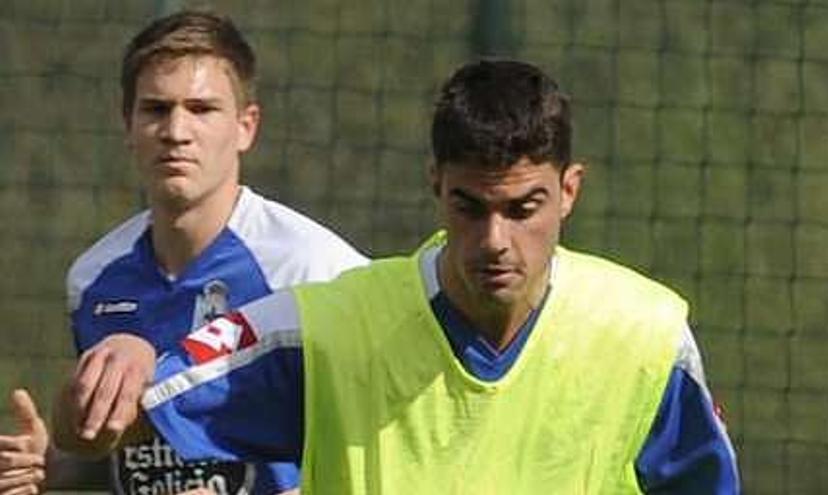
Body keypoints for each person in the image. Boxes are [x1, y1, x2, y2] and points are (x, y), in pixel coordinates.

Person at [55, 59, 739, 493]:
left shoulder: (646, 337)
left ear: (569, 191)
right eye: (469, 207)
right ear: (436, 184)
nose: (494, 241)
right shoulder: (318, 330)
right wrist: (127, 364)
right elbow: (103, 428)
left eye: (522, 208)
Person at [0, 9, 366, 495]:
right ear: (127, 124)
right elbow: (149, 455)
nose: (176, 131)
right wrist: (58, 466)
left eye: (201, 109)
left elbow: (376, 451)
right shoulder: (93, 280)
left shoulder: (316, 269)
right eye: (156, 109)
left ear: (245, 127)